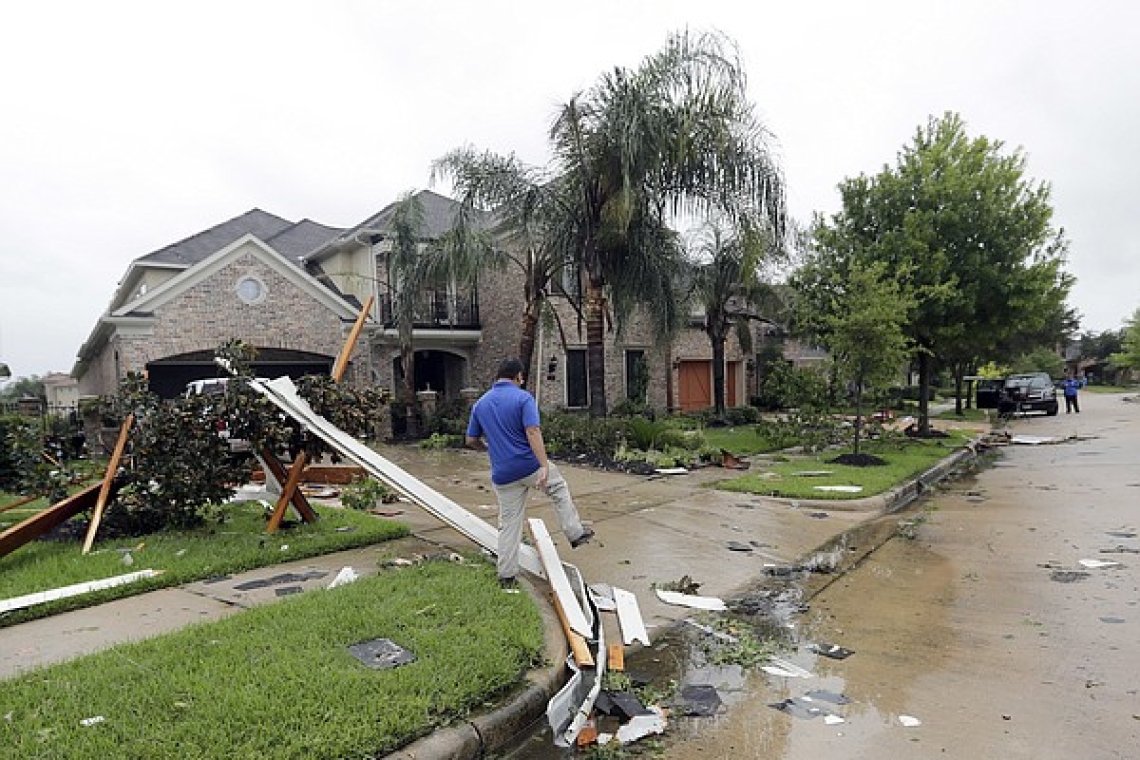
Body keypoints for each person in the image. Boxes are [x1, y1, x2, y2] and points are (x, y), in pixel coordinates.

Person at [466, 358, 594, 588]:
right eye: (521, 378)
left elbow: (471, 440)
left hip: (503, 474)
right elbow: (533, 431)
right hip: (529, 466)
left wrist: (489, 449)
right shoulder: (523, 398)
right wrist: (543, 464)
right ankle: (575, 533)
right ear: (518, 377)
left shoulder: (481, 404)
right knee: (557, 487)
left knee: (509, 524)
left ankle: (506, 575)